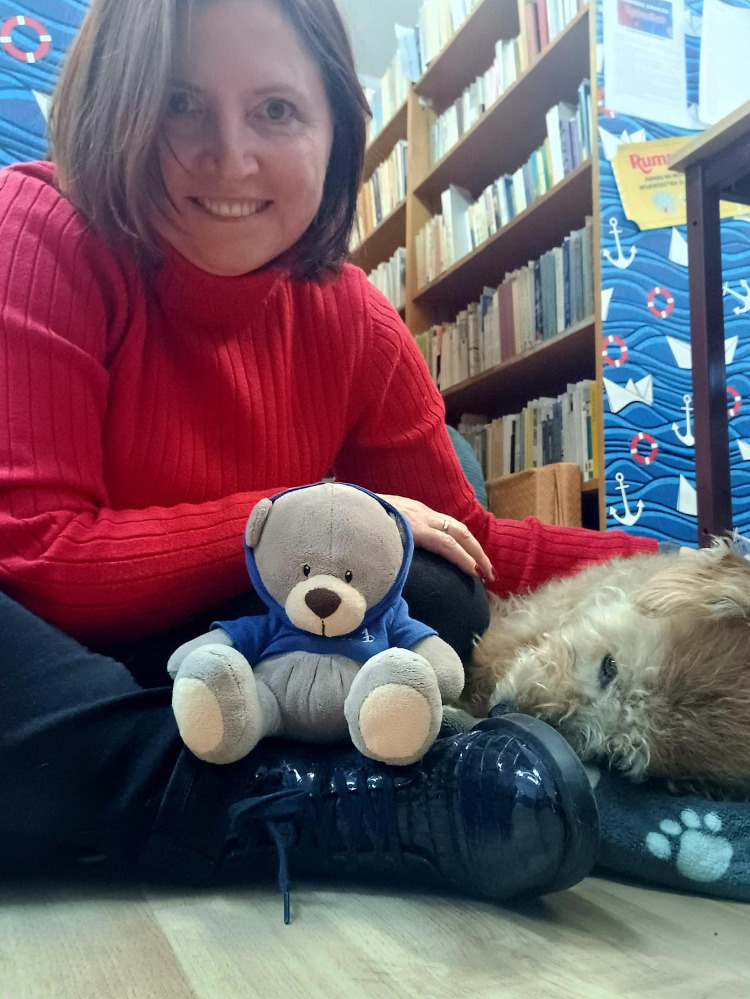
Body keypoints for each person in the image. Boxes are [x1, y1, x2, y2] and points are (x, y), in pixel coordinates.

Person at [0, 0, 656, 915]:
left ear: (336, 132)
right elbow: (40, 558)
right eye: (179, 103)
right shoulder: (37, 228)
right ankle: (318, 802)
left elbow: (473, 543)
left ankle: (249, 792)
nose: (229, 158)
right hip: (59, 658)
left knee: (436, 583)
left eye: (276, 110)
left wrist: (683, 563)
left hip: (244, 665)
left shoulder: (354, 319)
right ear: (112, 104)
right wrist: (302, 513)